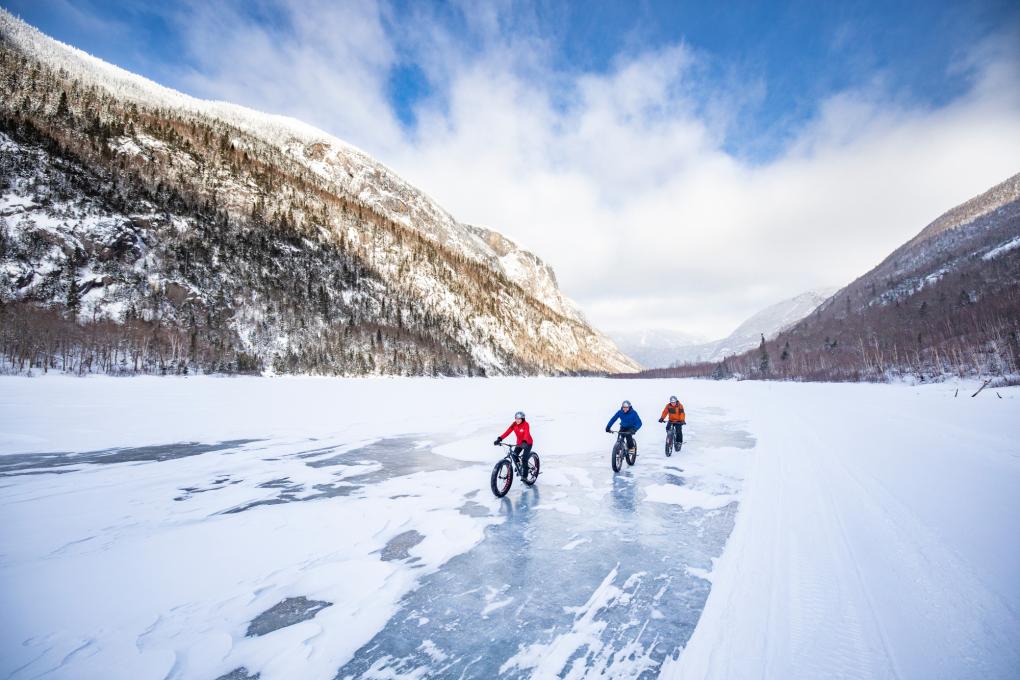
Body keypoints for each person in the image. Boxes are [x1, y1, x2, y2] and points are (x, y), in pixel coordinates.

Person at [494, 411, 533, 476]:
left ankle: (525, 476)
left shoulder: (526, 424)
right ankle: (520, 466)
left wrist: (524, 442)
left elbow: (526, 433)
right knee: (514, 455)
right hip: (519, 443)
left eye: (519, 419)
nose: (517, 420)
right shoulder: (514, 424)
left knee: (524, 459)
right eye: (516, 418)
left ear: (522, 419)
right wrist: (500, 438)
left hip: (527, 443)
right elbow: (507, 432)